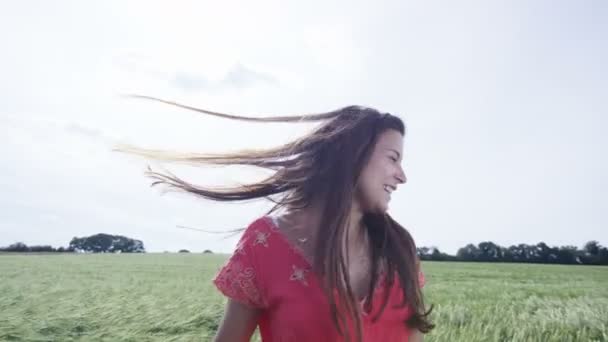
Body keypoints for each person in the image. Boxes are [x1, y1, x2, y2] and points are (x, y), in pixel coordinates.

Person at [118, 96, 434, 342]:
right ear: (353, 154)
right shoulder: (266, 243)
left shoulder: (399, 247)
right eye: (393, 158)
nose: (402, 176)